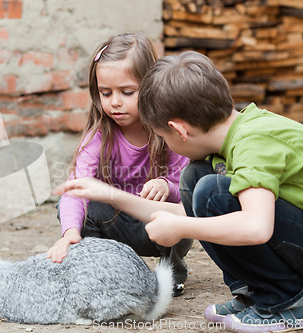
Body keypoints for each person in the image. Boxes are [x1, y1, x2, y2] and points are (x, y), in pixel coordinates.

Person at [54, 50, 303, 333]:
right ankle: (258, 292)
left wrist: (182, 226)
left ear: (179, 131)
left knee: (211, 190)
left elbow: (257, 227)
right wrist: (108, 193)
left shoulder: (255, 144)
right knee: (198, 177)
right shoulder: (236, 137)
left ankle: (287, 302)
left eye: (162, 137)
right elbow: (185, 214)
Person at [46, 33, 190, 296]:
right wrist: (69, 232)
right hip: (116, 224)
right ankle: (99, 265)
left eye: (127, 92)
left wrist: (166, 185)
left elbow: (189, 188)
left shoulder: (166, 131)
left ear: (149, 87)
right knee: (85, 206)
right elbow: (76, 189)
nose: (114, 102)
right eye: (105, 92)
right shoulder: (99, 135)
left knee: (181, 210)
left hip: (157, 225)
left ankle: (172, 269)